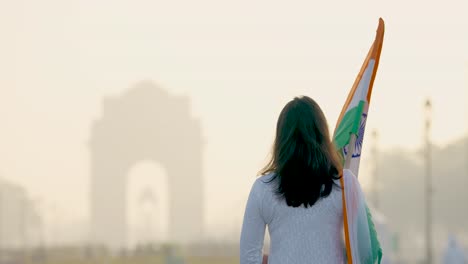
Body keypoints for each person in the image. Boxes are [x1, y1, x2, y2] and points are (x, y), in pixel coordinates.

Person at [240, 96, 347, 264]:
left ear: (281, 140)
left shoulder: (262, 189)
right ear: (322, 135)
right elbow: (362, 252)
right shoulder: (346, 185)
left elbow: (248, 258)